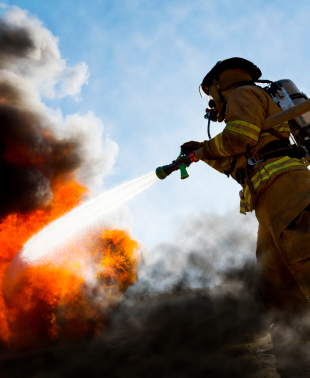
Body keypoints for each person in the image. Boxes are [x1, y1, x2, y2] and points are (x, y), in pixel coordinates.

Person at [182, 58, 310, 354]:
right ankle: (295, 354)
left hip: (287, 192)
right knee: (276, 284)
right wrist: (199, 152)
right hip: (270, 203)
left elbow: (238, 138)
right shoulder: (250, 103)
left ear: (218, 84)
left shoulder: (242, 94)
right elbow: (238, 162)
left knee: (305, 259)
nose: (212, 102)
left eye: (211, 93)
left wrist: (204, 149)